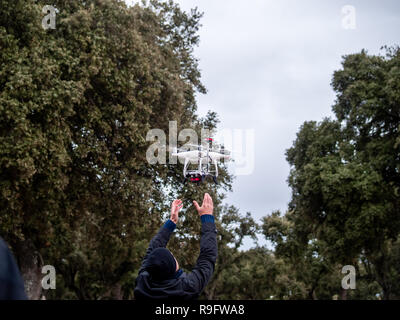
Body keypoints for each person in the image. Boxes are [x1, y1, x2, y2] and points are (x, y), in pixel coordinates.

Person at [134, 193, 217, 300]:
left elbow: (152, 251)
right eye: (172, 256)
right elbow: (207, 257)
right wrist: (207, 218)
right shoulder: (187, 288)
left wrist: (171, 221)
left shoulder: (143, 285)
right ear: (174, 267)